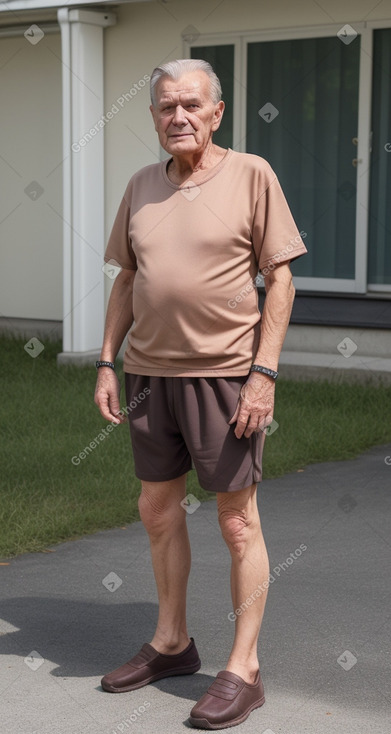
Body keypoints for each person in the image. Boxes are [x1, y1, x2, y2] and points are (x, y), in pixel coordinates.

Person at [94, 58, 307, 730]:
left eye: (190, 105)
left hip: (226, 377)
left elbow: (282, 280)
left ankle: (243, 669)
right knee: (157, 509)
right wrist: (106, 361)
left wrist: (263, 375)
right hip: (149, 376)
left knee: (236, 521)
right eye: (164, 106)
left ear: (216, 113)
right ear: (153, 115)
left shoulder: (252, 175)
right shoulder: (140, 185)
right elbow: (128, 280)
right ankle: (170, 644)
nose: (177, 116)